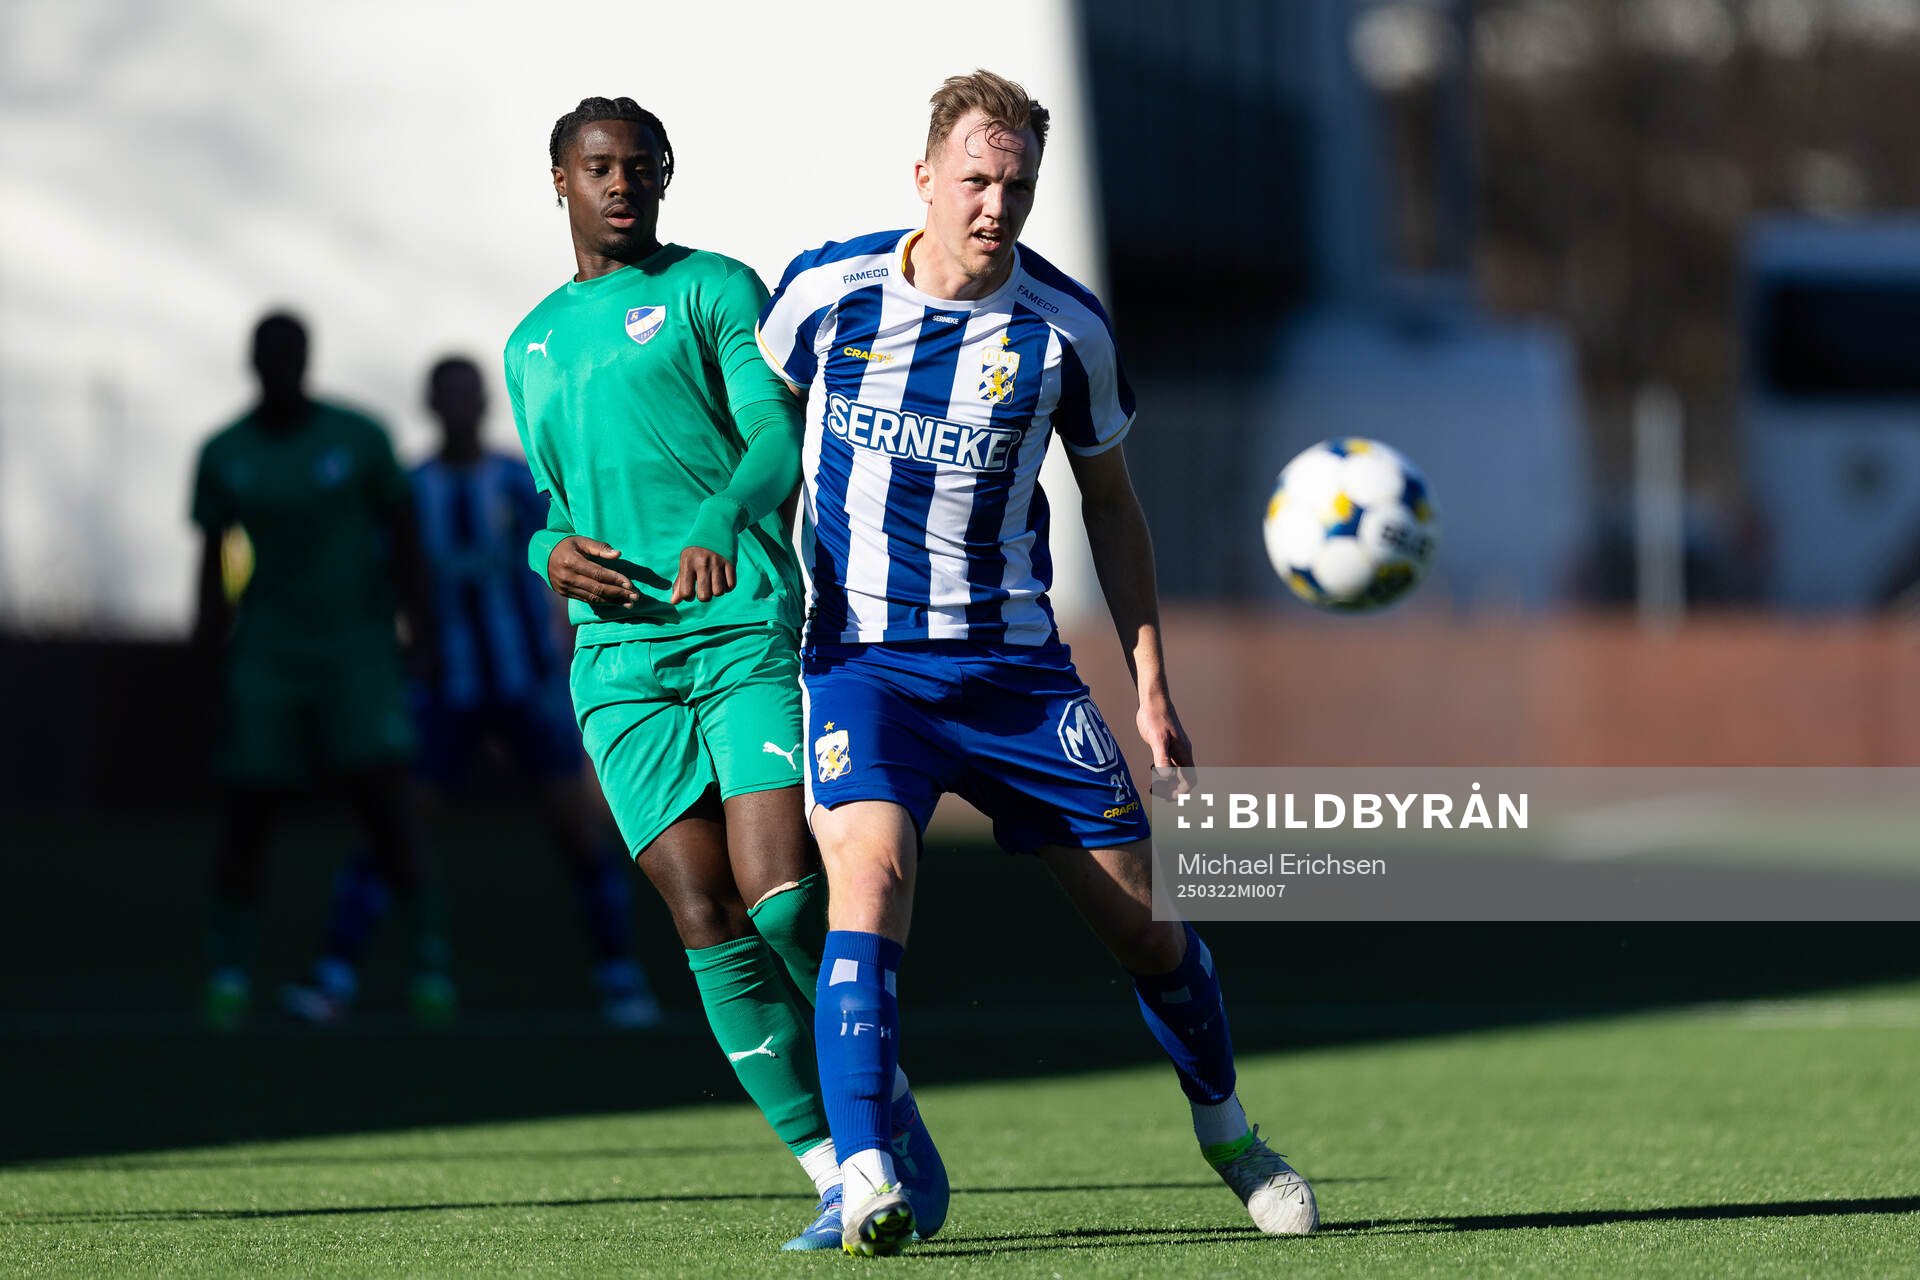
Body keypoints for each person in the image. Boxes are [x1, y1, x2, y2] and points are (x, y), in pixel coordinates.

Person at [755, 70, 1320, 1253]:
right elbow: (761, 444)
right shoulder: (825, 294)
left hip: (1019, 678)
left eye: (1017, 186)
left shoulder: (1066, 329)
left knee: (1146, 925)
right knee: (870, 881)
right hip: (864, 665)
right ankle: (865, 1172)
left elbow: (1113, 505)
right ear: (924, 177)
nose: (995, 206)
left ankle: (1231, 1135)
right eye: (975, 180)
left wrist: (1151, 681)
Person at [503, 97, 946, 1251]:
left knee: (783, 895)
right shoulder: (530, 342)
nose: (622, 184)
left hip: (741, 625)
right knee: (702, 912)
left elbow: (776, 434)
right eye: (600, 167)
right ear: (560, 180)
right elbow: (551, 504)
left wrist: (722, 513)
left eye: (641, 166)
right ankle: (836, 1171)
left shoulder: (713, 289)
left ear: (665, 175)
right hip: (618, 663)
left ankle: (882, 1104)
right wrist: (547, 554)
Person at [280, 356, 661, 1030]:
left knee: (578, 829)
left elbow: (570, 564)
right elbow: (385, 580)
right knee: (396, 826)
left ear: (485, 403)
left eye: (469, 394)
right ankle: (335, 975)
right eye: (446, 395)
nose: (459, 407)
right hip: (444, 688)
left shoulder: (519, 481)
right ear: (431, 404)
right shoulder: (410, 490)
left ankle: (620, 975)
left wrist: (571, 650)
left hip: (525, 684)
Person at [191, 312, 452, 1031]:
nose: (280, 367)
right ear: (252, 362)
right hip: (267, 655)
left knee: (386, 806)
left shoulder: (359, 439)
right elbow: (210, 567)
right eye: (268, 356)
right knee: (248, 811)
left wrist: (420, 633)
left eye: (290, 355)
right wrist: (205, 661)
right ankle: (227, 972)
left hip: (355, 652)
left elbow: (405, 538)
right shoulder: (225, 453)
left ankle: (430, 966)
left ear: (306, 360)